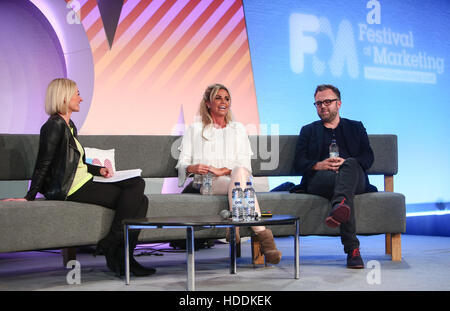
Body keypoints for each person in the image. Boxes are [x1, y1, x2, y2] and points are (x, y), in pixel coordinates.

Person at [2, 78, 155, 277]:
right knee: (137, 188)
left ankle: (123, 257)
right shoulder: (53, 126)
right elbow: (44, 163)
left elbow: (76, 161)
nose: (80, 98)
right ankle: (113, 247)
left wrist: (97, 170)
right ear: (64, 97)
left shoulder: (69, 125)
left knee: (141, 199)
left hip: (83, 181)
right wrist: (29, 196)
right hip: (70, 188)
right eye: (77, 94)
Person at [176, 83, 282, 264]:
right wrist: (192, 168)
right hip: (208, 183)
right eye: (218, 98)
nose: (223, 102)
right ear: (208, 103)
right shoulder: (195, 129)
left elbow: (245, 165)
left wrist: (223, 170)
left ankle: (235, 221)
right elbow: (182, 163)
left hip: (234, 179)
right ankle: (265, 237)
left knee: (240, 174)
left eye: (227, 98)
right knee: (243, 186)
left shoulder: (238, 129)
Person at [292, 84, 377, 269]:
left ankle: (340, 205)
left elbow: (368, 157)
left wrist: (347, 163)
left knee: (351, 165)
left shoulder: (356, 127)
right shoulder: (308, 130)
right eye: (318, 103)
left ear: (338, 104)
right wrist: (318, 165)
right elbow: (299, 162)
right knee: (344, 191)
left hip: (354, 178)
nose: (323, 106)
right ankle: (352, 246)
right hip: (321, 179)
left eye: (327, 102)